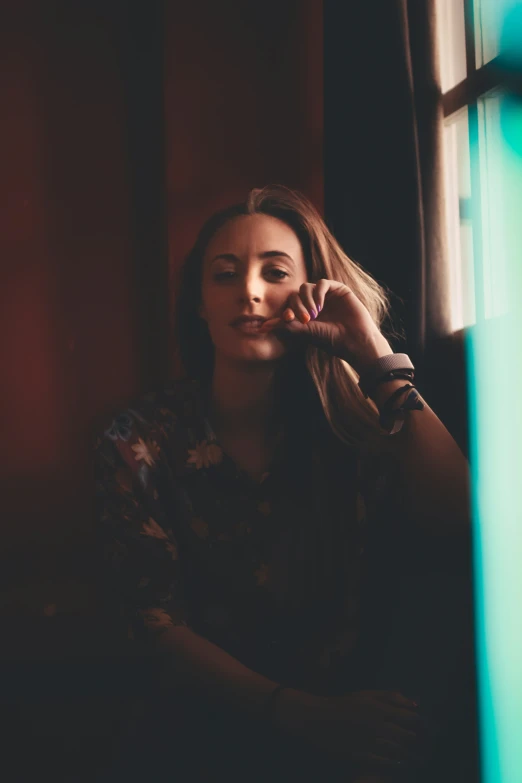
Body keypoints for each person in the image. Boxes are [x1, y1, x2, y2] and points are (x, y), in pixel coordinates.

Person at [93, 185, 474, 782]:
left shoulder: (350, 433)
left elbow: (462, 518)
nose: (249, 290)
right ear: (199, 302)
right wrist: (303, 716)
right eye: (224, 275)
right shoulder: (138, 442)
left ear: (312, 293)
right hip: (194, 742)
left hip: (357, 735)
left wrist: (373, 354)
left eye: (275, 272)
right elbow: (156, 629)